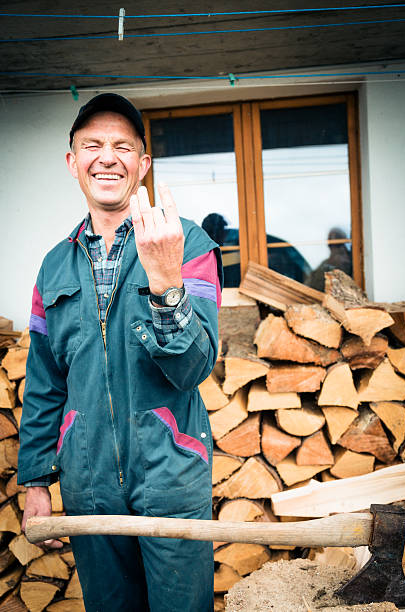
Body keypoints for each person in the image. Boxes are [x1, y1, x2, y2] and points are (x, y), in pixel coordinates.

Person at [17, 93, 222, 612]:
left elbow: (194, 366)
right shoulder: (53, 267)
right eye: (92, 145)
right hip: (88, 485)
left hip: (171, 478)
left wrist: (164, 280)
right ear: (72, 162)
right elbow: (45, 383)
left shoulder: (188, 244)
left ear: (142, 164)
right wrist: (37, 480)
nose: (107, 157)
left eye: (122, 147)